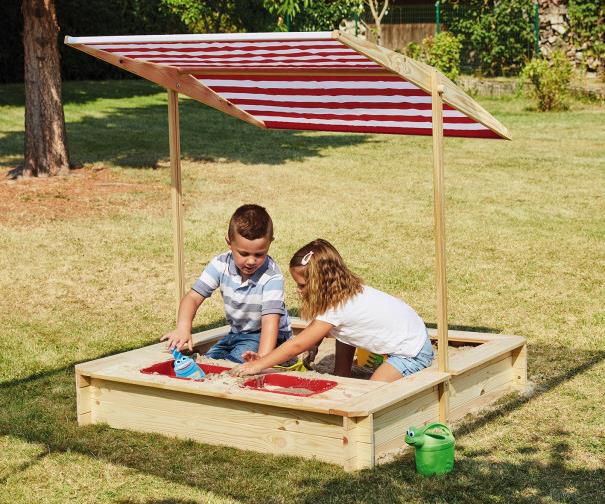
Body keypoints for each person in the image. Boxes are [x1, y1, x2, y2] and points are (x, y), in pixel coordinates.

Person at [230, 239, 433, 382]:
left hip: (411, 352)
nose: (298, 290)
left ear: (319, 284)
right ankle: (342, 373)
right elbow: (323, 330)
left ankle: (346, 375)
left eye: (301, 285)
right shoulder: (344, 293)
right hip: (410, 332)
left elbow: (297, 344)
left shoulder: (338, 308)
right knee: (344, 333)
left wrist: (259, 365)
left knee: (372, 393)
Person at [161, 204, 291, 363]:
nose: (251, 261)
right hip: (237, 333)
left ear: (270, 243)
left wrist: (263, 358)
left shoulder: (271, 276)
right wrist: (183, 328)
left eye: (259, 254)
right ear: (229, 242)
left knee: (234, 363)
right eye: (243, 253)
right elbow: (193, 298)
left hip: (270, 335)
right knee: (210, 360)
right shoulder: (220, 264)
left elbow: (270, 321)